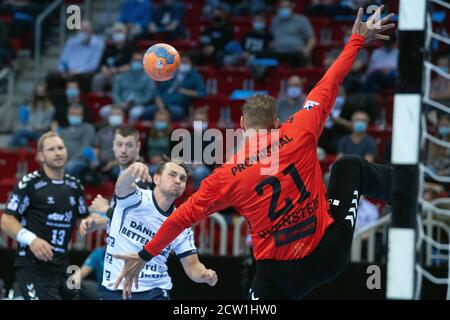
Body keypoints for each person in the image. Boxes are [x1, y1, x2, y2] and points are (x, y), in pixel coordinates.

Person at [113, 6, 395, 300]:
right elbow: (330, 82)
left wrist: (145, 254)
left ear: (242, 124)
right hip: (328, 253)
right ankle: (401, 187)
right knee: (350, 166)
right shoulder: (301, 129)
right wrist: (356, 40)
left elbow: (180, 218)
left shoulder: (225, 176)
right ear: (276, 122)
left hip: (282, 276)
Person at [83, 157, 218, 300]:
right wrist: (131, 170)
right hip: (114, 289)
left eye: (183, 178)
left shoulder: (181, 221)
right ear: (156, 179)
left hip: (154, 291)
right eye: (172, 175)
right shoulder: (136, 198)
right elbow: (121, 187)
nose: (178, 180)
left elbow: (192, 266)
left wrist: (204, 274)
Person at [0, 132, 90, 300]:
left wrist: (94, 220)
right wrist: (31, 240)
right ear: (41, 156)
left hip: (64, 265)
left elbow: (83, 218)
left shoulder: (74, 184)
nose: (57, 152)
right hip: (33, 265)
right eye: (51, 149)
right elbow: (6, 220)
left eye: (60, 148)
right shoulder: (29, 183)